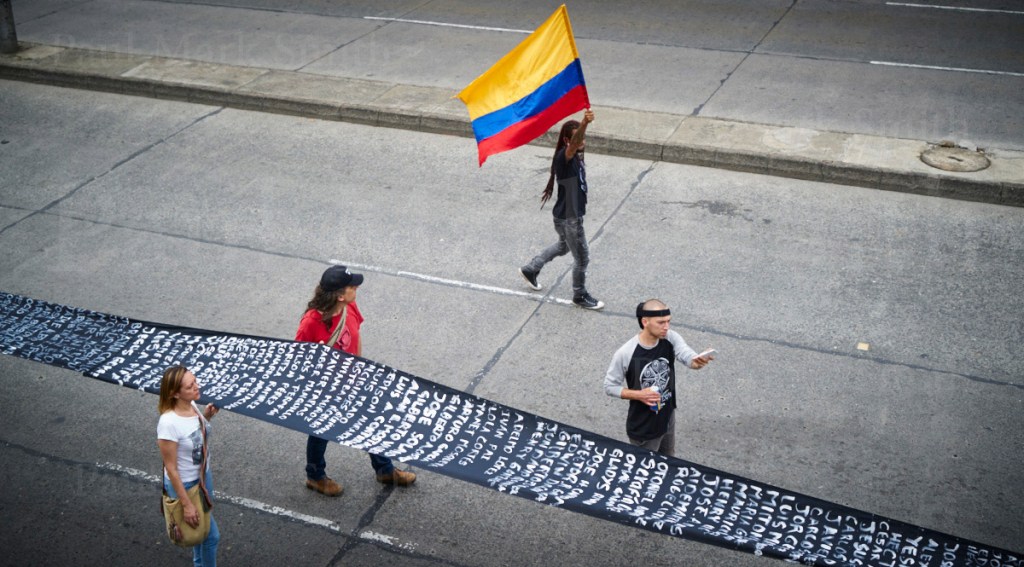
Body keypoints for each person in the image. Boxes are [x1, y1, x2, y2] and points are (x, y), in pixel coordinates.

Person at [297, 264, 416, 496]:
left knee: (370, 422)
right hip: (326, 390)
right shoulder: (311, 323)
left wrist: (359, 369)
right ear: (340, 295)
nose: (356, 289)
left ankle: (384, 469)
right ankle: (315, 475)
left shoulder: (349, 306)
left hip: (353, 381)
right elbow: (300, 360)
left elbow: (356, 336)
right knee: (321, 431)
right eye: (352, 286)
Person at [603, 299, 714, 456]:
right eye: (661, 322)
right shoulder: (626, 353)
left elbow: (685, 354)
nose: (666, 327)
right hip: (644, 427)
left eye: (668, 321)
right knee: (645, 472)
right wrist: (639, 395)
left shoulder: (670, 338)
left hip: (667, 415)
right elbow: (609, 386)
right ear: (645, 321)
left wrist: (696, 361)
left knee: (668, 461)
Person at [519, 109, 604, 310]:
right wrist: (584, 123)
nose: (582, 141)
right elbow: (575, 145)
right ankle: (579, 294)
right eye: (577, 138)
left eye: (583, 137)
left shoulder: (575, 157)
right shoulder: (564, 157)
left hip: (564, 216)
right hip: (570, 218)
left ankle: (531, 268)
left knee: (564, 246)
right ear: (567, 141)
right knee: (582, 258)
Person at [158, 365, 220, 566]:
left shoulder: (191, 405)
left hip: (203, 477)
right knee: (211, 537)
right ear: (175, 393)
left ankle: (198, 563)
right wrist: (186, 505)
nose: (197, 386)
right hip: (185, 485)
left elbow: (194, 437)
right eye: (190, 385)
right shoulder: (168, 423)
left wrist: (206, 416)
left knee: (198, 533)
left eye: (195, 381)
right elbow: (171, 468)